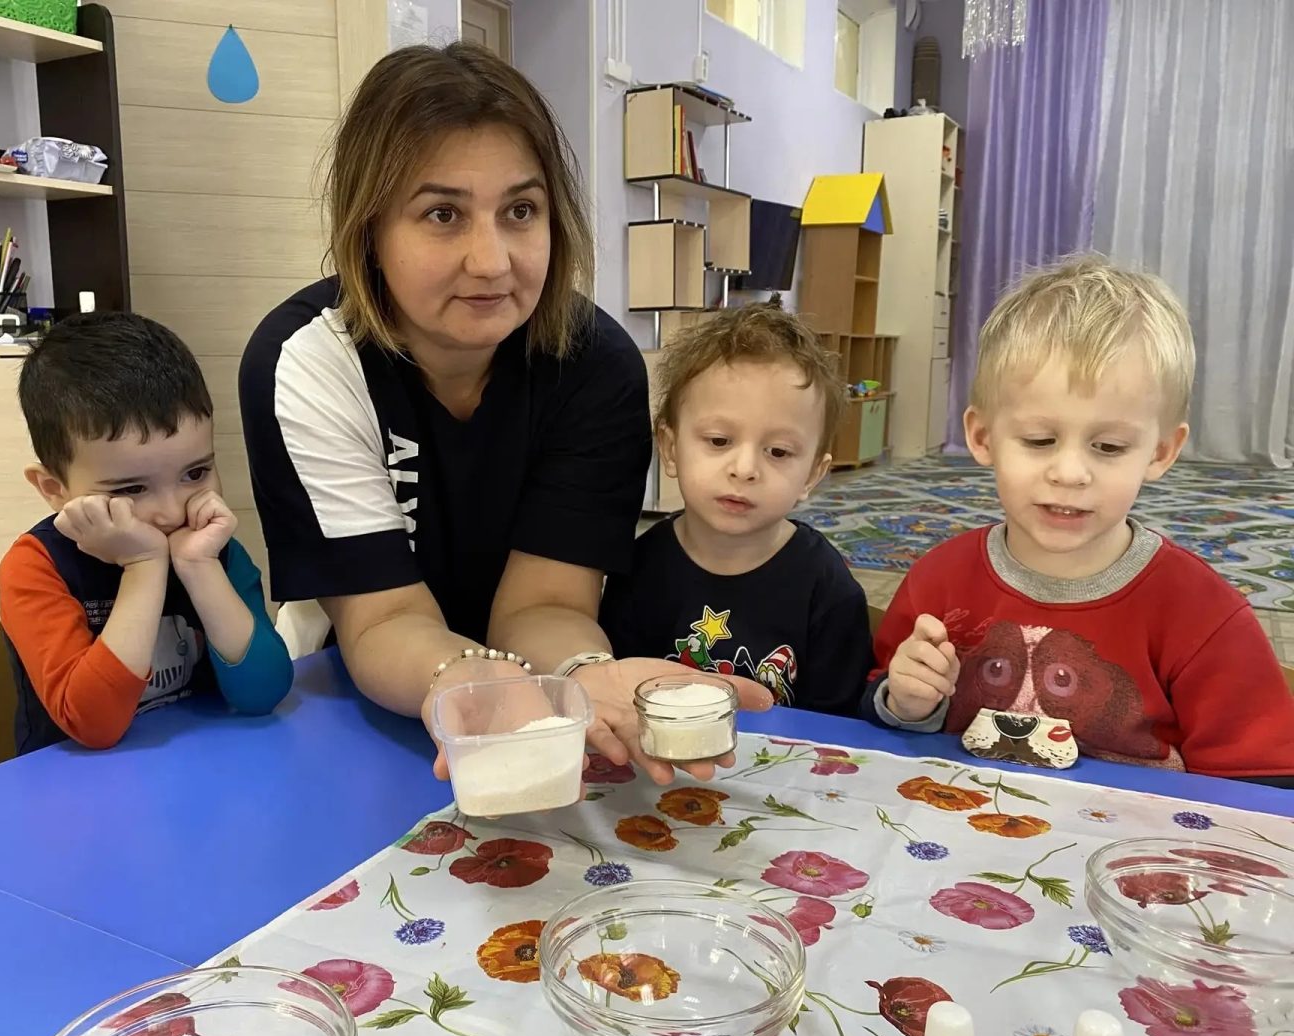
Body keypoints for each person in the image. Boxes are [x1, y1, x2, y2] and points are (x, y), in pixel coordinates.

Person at [239, 42, 771, 785]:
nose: (491, 261)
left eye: (520, 211)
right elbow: (381, 618)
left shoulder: (596, 366)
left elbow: (545, 603)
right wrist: (470, 681)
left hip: (538, 688)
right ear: (369, 230)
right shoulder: (308, 362)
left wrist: (580, 674)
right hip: (365, 694)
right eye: (443, 214)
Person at [865, 256, 1294, 784]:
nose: (1070, 473)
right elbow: (880, 720)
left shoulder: (1203, 615)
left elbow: (1263, 784)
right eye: (1039, 440)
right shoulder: (937, 581)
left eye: (1108, 447)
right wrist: (907, 702)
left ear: (1161, 452)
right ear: (981, 437)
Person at [0, 312, 293, 754]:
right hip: (79, 785)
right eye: (131, 489)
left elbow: (264, 693)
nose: (172, 512)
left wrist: (199, 567)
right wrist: (143, 566)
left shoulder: (212, 550)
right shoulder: (36, 566)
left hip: (205, 766)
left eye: (196, 473)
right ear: (54, 489)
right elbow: (95, 726)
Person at [600, 304, 873, 715]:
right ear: (670, 448)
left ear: (813, 475)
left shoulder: (828, 589)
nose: (744, 469)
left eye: (778, 451)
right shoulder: (638, 570)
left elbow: (837, 725)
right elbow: (618, 697)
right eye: (718, 441)